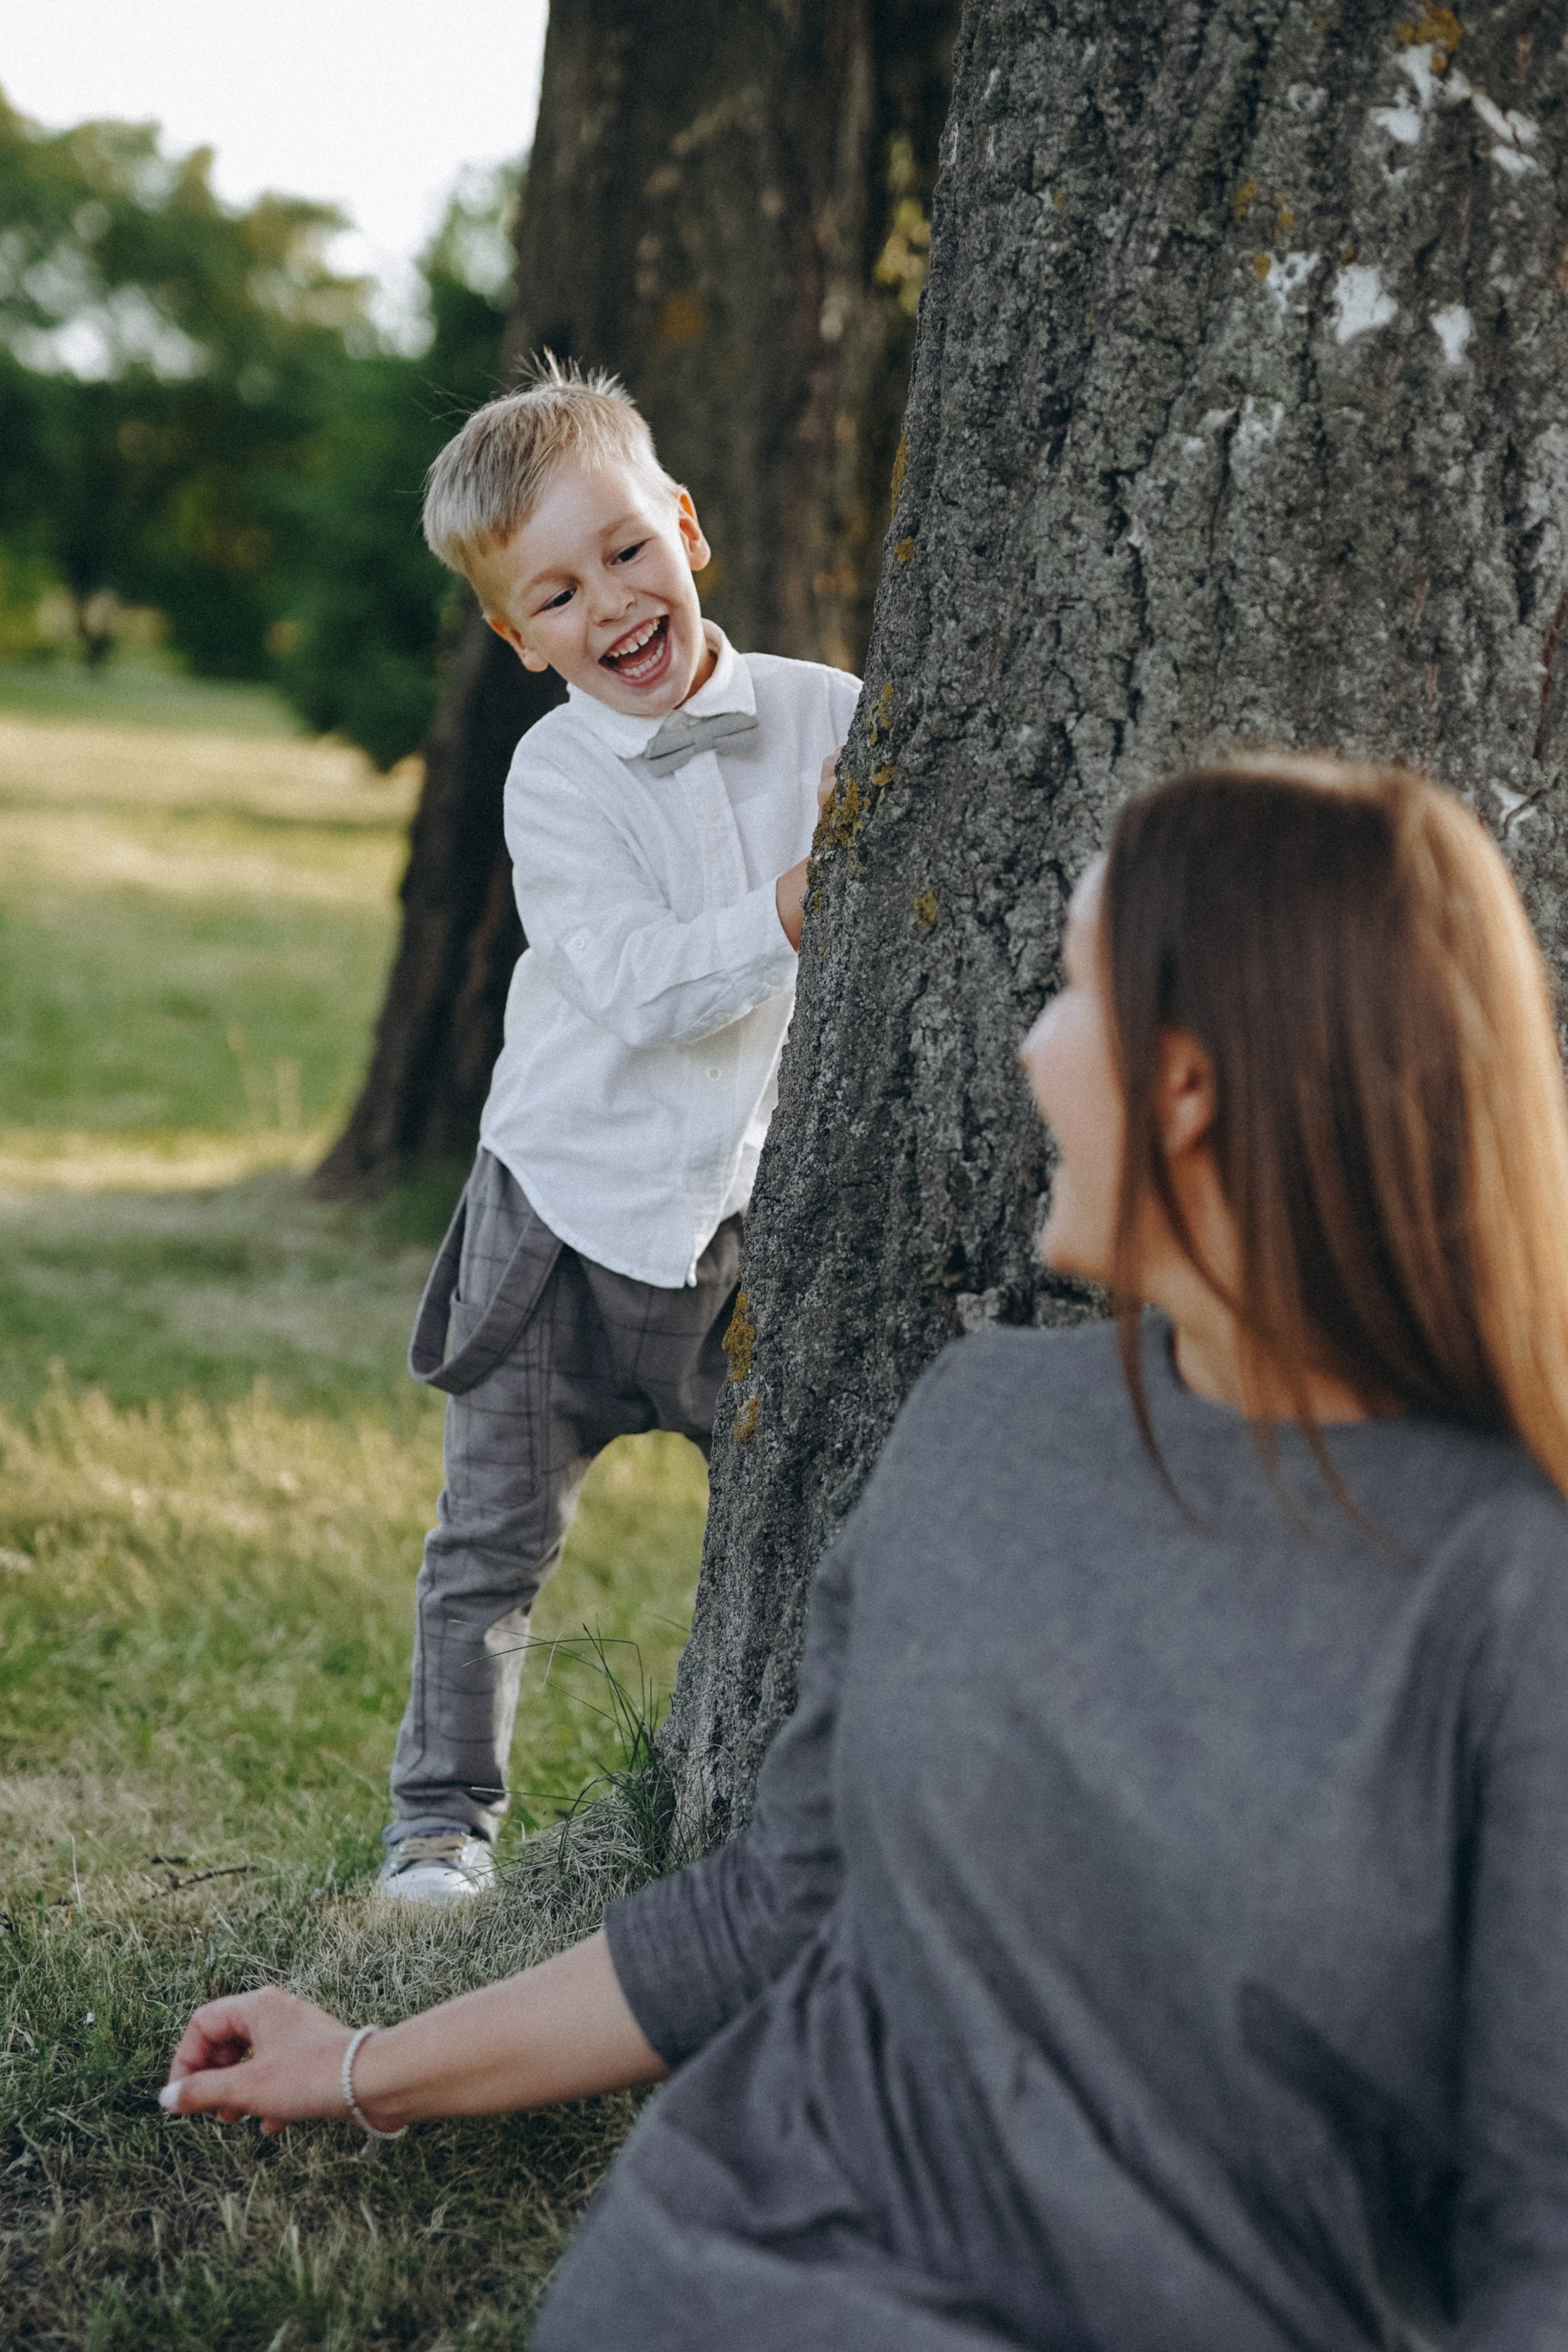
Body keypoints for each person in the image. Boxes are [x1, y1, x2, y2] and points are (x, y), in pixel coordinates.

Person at [163, 755, 1568, 2349]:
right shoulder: (989, 1425)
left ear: (1187, 1084)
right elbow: (778, 1903)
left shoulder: (1513, 1589)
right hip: (706, 2276)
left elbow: (1545, 2226)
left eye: (1068, 995)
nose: (1030, 1053)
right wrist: (358, 2069)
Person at [379, 355, 858, 1903]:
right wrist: (794, 905)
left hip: (738, 1229)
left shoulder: (833, 718)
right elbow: (651, 991)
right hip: (559, 1227)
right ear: (518, 640)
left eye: (626, 551)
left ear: (690, 529)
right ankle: (440, 1831)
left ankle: (794, 1797)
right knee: (488, 1554)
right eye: (559, 595)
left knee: (801, 1512)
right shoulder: (554, 778)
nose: (612, 605)